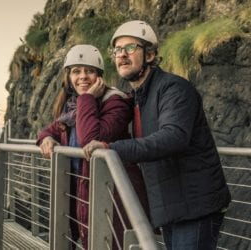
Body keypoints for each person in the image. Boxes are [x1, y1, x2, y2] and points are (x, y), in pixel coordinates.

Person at [83, 20, 231, 250]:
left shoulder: (174, 89)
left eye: (130, 48)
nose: (121, 55)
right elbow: (91, 134)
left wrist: (113, 148)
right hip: (171, 207)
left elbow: (173, 137)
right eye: (117, 50)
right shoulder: (137, 98)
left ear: (150, 55)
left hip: (195, 207)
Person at [37, 44, 150, 249]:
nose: (83, 76)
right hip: (80, 191)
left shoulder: (116, 102)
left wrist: (87, 98)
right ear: (68, 77)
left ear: (99, 76)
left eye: (89, 71)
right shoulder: (71, 106)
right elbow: (50, 130)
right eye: (76, 71)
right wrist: (46, 139)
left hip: (111, 194)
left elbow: (91, 138)